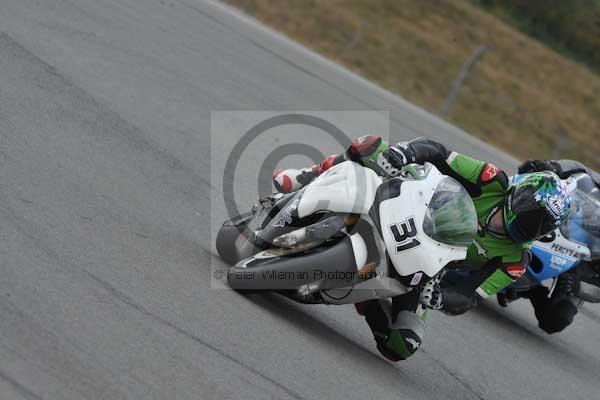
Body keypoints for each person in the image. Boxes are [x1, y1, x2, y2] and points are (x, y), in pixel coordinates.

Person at [273, 135, 571, 361]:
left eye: (539, 226)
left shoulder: (515, 259)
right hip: (407, 208)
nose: (528, 227)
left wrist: (440, 297)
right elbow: (440, 153)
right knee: (372, 145)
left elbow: (469, 296)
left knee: (401, 345)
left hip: (424, 268)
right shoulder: (491, 180)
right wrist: (404, 154)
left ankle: (367, 299)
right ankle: (308, 176)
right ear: (517, 194)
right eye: (530, 215)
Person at [512, 159, 600, 333]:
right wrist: (550, 167)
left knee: (557, 319)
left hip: (580, 261)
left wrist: (576, 283)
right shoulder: (594, 182)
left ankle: (532, 289)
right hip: (559, 220)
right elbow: (576, 167)